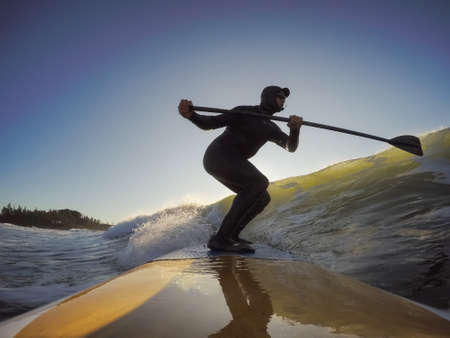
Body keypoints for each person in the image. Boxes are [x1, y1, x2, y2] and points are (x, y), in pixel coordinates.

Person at [178, 85, 303, 253]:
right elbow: (210, 123)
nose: (283, 100)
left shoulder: (271, 127)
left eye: (284, 99)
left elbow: (290, 146)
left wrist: (294, 130)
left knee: (262, 197)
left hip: (232, 161)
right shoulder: (243, 112)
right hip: (217, 156)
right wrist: (191, 115)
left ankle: (231, 236)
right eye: (280, 96)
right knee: (259, 182)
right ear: (268, 97)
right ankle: (220, 239)